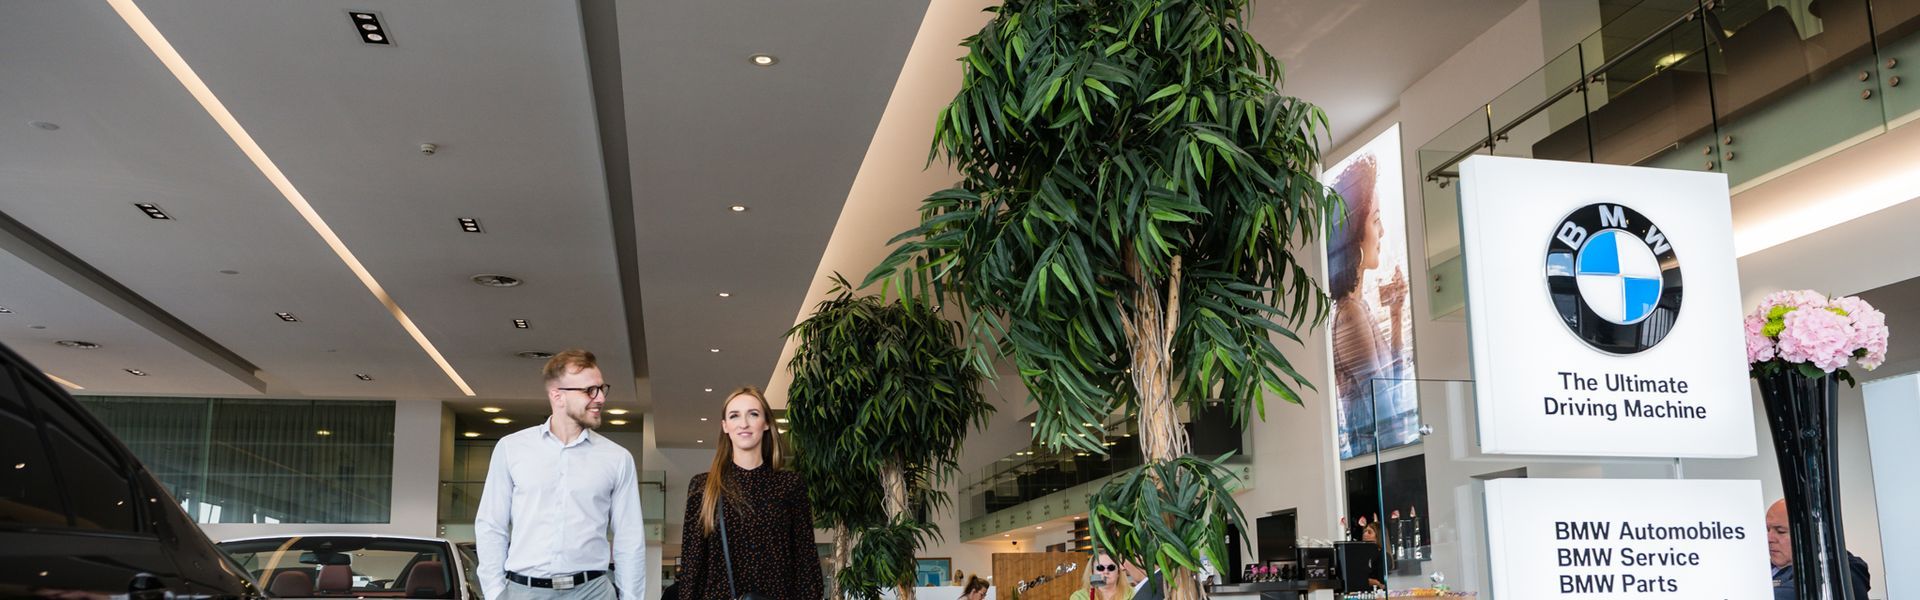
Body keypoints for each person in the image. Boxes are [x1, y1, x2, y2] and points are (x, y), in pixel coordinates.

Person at [475, 350, 645, 600]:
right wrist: (494, 593)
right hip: (523, 592)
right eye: (589, 390)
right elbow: (491, 525)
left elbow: (630, 538)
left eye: (601, 389)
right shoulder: (511, 448)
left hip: (593, 592)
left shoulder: (617, 458)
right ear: (557, 395)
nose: (600, 399)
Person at [677, 387, 823, 600]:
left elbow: (805, 561)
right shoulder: (704, 486)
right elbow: (693, 565)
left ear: (766, 423)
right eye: (734, 416)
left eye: (753, 414)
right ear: (725, 426)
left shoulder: (790, 485)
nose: (743, 423)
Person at [1328, 155, 1412, 458]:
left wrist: (1395, 313)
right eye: (1376, 221)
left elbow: (1389, 394)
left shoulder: (1356, 307)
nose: (1382, 232)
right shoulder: (1350, 314)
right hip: (1383, 464)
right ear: (1353, 236)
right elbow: (1388, 409)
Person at [1767, 499, 1871, 600]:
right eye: (1767, 530)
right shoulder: (1760, 567)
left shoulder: (1841, 567)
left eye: (1780, 531)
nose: (1769, 538)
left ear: (1809, 532)